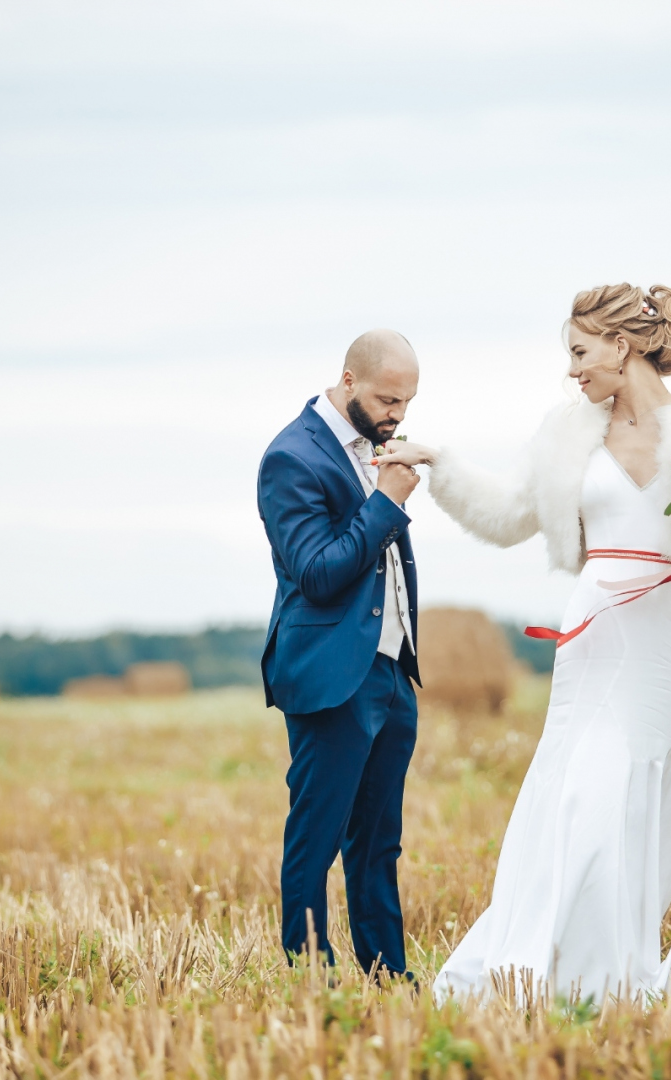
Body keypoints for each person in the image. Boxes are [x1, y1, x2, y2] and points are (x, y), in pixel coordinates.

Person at [370, 283, 671, 1002]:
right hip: (597, 631)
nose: (572, 370)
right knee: (585, 786)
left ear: (622, 345)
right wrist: (438, 462)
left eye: (579, 352)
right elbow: (508, 510)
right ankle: (545, 966)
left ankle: (610, 970)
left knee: (648, 799)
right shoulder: (568, 433)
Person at [256, 328, 424, 979]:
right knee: (317, 835)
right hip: (331, 677)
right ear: (348, 380)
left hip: (390, 675)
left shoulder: (374, 446)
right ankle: (309, 973)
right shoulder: (291, 457)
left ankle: (389, 973)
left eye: (406, 403)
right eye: (387, 399)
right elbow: (317, 572)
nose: (398, 415)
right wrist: (387, 502)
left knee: (380, 842)